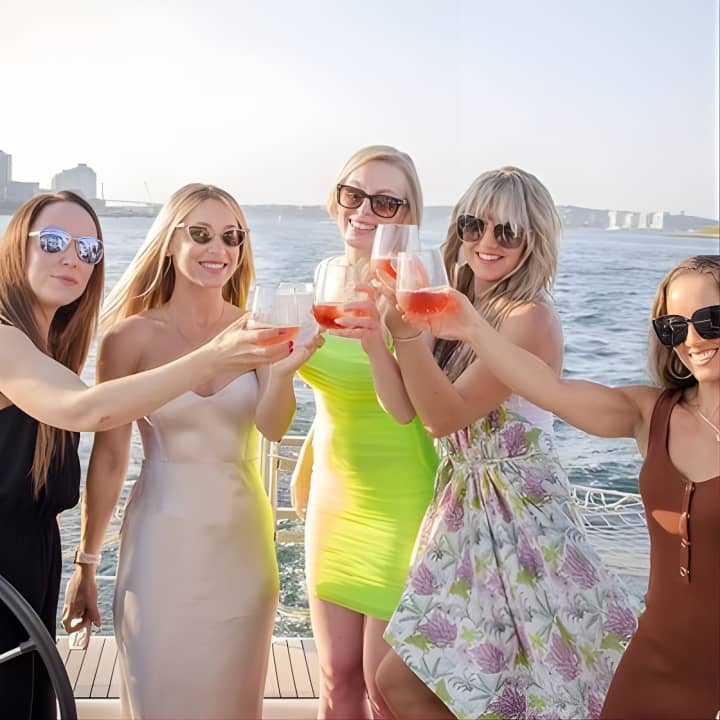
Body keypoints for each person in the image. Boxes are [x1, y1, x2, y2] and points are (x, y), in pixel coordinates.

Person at [0, 191, 290, 720]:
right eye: (54, 242)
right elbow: (97, 425)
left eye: (89, 249)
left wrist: (285, 370)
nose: (73, 258)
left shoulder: (47, 349)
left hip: (235, 542)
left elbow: (274, 423)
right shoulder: (34, 342)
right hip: (142, 545)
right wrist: (212, 358)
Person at [400, 254, 719, 719]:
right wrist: (471, 327)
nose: (692, 340)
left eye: (710, 320)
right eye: (674, 327)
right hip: (654, 662)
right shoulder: (652, 414)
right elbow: (548, 388)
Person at [371, 167, 637, 720]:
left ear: (532, 240)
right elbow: (406, 409)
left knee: (417, 679)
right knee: (451, 685)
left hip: (518, 517)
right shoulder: (459, 303)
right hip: (465, 511)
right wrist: (377, 340)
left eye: (506, 232)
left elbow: (444, 417)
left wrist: (407, 334)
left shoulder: (528, 318)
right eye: (475, 225)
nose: (486, 242)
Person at [294, 146, 438, 719]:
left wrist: (379, 337)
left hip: (401, 501)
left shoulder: (413, 288)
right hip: (332, 499)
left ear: (407, 214)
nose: (363, 211)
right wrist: (306, 463)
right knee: (336, 681)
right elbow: (333, 393)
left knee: (384, 690)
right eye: (353, 194)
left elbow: (406, 409)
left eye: (385, 202)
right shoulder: (324, 276)